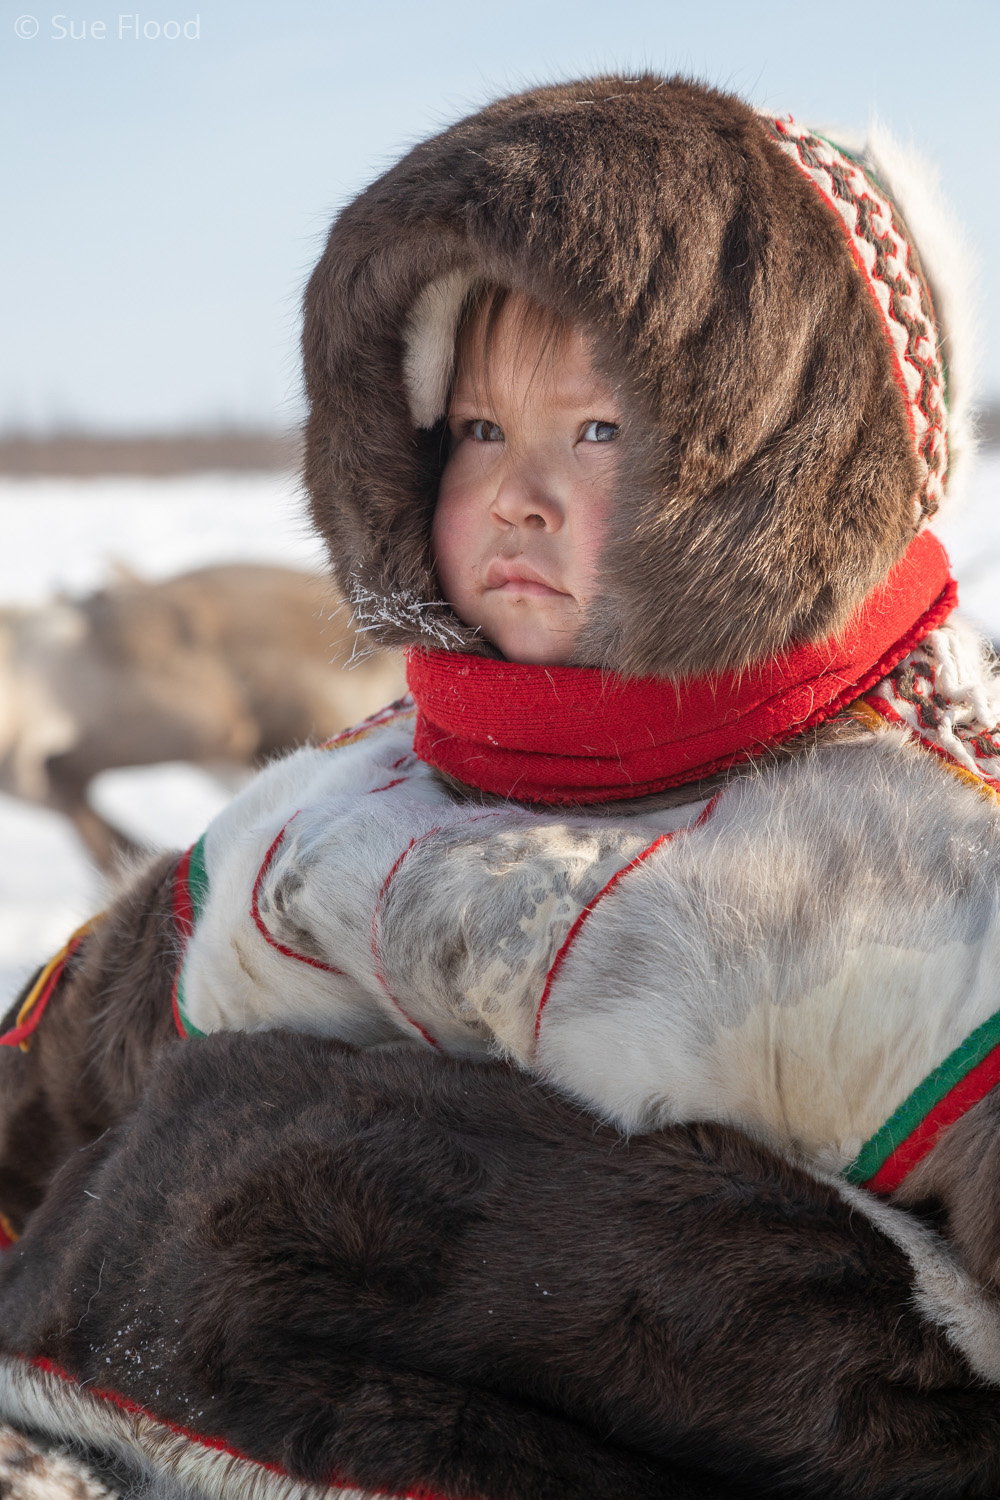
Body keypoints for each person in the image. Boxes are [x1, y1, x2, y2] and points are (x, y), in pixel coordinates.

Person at [2, 72, 999, 1422]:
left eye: (598, 434)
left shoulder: (916, 882)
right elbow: (55, 1077)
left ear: (775, 468)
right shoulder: (337, 816)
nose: (519, 499)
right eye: (480, 432)